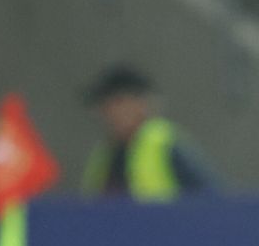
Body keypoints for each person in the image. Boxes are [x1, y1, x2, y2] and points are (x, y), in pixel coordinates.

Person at [80, 65, 216, 200]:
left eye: (117, 103)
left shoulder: (164, 145)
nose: (108, 112)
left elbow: (211, 199)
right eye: (103, 106)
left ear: (141, 104)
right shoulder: (105, 157)